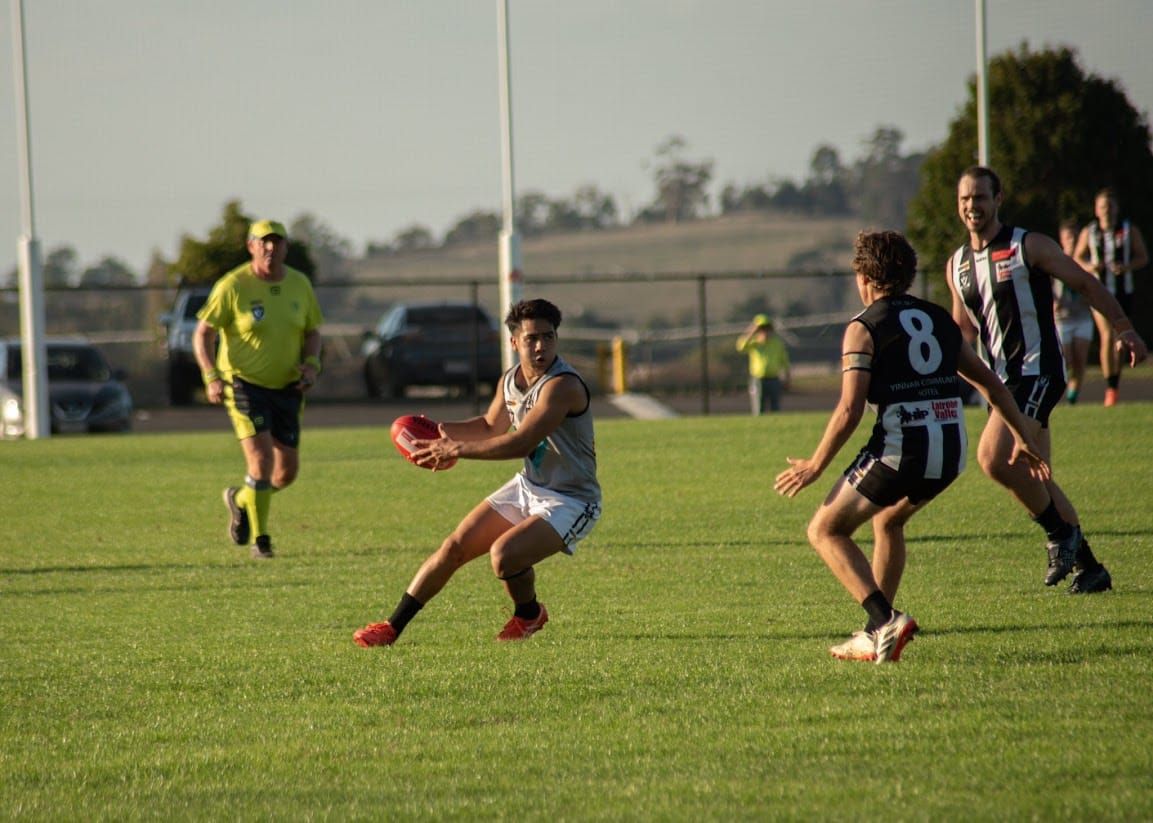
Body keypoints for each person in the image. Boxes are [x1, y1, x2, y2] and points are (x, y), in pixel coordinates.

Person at [774, 231, 1050, 663]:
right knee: (887, 523)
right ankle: (874, 634)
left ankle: (885, 620)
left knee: (824, 530)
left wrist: (815, 464)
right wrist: (1022, 434)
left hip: (902, 448)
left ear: (864, 277)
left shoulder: (863, 327)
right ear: (906, 275)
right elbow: (991, 383)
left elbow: (849, 409)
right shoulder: (939, 318)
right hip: (951, 451)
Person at [354, 298, 601, 647]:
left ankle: (529, 614)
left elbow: (520, 443)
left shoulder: (562, 386)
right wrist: (439, 432)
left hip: (572, 500)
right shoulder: (510, 380)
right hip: (530, 485)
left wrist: (456, 449)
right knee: (454, 546)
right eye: (531, 338)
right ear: (514, 342)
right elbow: (488, 426)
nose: (541, 345)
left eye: (548, 336)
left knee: (504, 556)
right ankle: (391, 628)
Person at [946, 167, 1148, 593]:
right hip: (1000, 385)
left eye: (980, 197)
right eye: (965, 199)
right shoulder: (957, 265)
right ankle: (1090, 569)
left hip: (1037, 372)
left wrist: (1124, 327)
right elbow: (960, 331)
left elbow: (1085, 282)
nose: (972, 206)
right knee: (1038, 477)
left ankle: (1062, 537)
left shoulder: (1027, 245)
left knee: (993, 458)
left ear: (998, 198)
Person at [193, 219, 324, 559]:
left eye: (276, 242)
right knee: (261, 460)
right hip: (244, 384)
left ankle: (239, 499)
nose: (270, 248)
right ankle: (261, 541)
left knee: (286, 473)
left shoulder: (299, 284)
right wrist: (211, 375)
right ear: (251, 246)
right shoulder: (233, 285)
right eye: (263, 242)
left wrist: (311, 364)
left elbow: (313, 331)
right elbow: (203, 332)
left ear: (285, 247)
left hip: (288, 387)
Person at [1072, 188, 1149, 406]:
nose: (1107, 210)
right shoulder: (1090, 232)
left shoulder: (1127, 230)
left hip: (1124, 291)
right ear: (1096, 210)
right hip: (1098, 291)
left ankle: (1114, 384)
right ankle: (1110, 389)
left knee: (1122, 338)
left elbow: (1142, 257)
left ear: (1116, 208)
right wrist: (1090, 266)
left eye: (1110, 206)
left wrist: (1126, 267)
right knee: (1106, 335)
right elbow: (1077, 257)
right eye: (1103, 206)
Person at [1054, 219, 1094, 404]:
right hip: (1062, 318)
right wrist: (1053, 302)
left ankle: (1072, 397)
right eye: (1068, 237)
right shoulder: (1053, 261)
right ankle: (1056, 393)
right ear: (1062, 240)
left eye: (1075, 237)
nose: (1072, 241)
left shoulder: (1086, 263)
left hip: (1082, 316)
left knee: (1080, 360)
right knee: (1066, 360)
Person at [736, 314, 790, 414]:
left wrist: (787, 376)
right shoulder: (754, 343)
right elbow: (741, 347)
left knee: (775, 407)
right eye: (762, 329)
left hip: (774, 379)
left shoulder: (777, 343)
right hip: (758, 379)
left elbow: (784, 361)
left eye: (767, 328)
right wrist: (751, 332)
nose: (765, 331)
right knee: (759, 407)